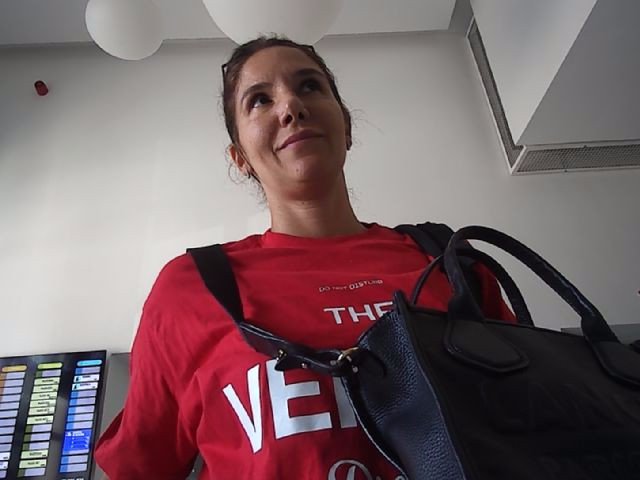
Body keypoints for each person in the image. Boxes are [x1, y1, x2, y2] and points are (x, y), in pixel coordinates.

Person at [94, 36, 515, 480]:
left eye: (309, 86)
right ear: (240, 157)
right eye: (260, 100)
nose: (291, 106)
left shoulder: (446, 259)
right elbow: (140, 467)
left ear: (346, 127)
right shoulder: (189, 289)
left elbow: (533, 412)